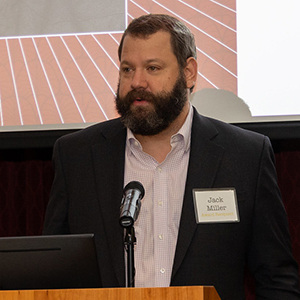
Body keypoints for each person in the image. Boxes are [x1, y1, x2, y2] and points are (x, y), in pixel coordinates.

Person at [43, 14, 300, 299]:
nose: (136, 82)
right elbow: (53, 275)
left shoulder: (244, 156)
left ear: (189, 72)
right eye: (127, 69)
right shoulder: (77, 156)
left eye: (152, 68)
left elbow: (277, 279)